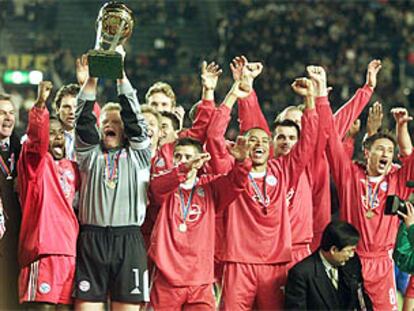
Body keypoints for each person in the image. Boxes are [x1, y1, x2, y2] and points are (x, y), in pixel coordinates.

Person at [311, 65, 414, 310]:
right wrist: (322, 97)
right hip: (350, 260)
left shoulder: (397, 180)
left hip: (382, 264)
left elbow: (408, 155)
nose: (386, 154)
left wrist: (401, 128)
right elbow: (330, 138)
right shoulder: (348, 174)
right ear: (366, 152)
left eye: (390, 152)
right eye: (380, 149)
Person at [73, 49, 151, 310]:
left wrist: (119, 75)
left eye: (116, 122)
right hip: (91, 239)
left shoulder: (139, 156)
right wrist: (92, 78)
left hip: (128, 240)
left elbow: (136, 119)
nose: (110, 125)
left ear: (125, 130)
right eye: (105, 121)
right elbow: (82, 120)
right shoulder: (88, 156)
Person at [148, 137, 251, 309]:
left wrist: (242, 162)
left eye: (188, 157)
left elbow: (236, 183)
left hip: (200, 280)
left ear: (199, 161)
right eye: (178, 156)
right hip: (167, 278)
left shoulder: (210, 187)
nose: (182, 161)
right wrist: (183, 169)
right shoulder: (165, 187)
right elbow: (156, 187)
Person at [17, 81, 79, 309]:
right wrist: (40, 106)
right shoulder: (36, 164)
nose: (57, 138)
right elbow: (35, 141)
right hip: (42, 251)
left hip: (69, 251)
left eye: (60, 134)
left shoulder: (72, 168)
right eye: (51, 134)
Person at [285, 220, 372, 310]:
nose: (352, 255)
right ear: (333, 250)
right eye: (349, 250)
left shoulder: (352, 262)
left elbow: (361, 298)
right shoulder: (301, 274)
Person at [0, 92, 22, 310]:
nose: (7, 118)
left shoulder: (21, 149)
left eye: (11, 113)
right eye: (1, 113)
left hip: (16, 237)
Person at [53, 83, 80, 160]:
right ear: (57, 109)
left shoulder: (89, 137)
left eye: (76, 107)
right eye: (66, 107)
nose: (72, 112)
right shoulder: (47, 136)